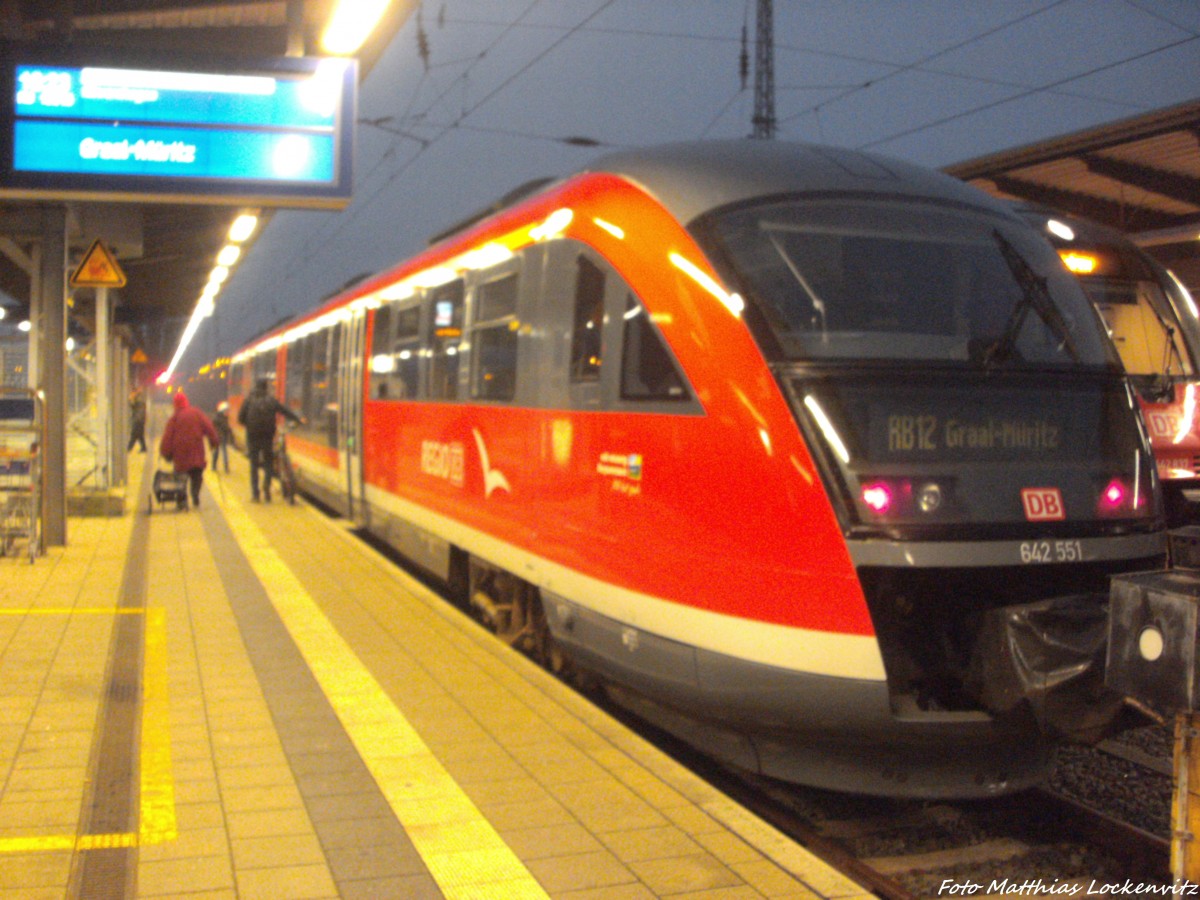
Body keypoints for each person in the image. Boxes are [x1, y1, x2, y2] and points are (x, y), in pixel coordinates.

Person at [237, 378, 303, 503]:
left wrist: (249, 426)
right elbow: (285, 411)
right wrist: (298, 420)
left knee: (254, 465)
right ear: (266, 387)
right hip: (267, 435)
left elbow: (240, 419)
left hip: (252, 436)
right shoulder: (271, 401)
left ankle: (255, 495)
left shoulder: (248, 400)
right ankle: (266, 488)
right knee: (268, 463)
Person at [159, 391, 218, 510]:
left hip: (180, 457)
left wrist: (165, 453)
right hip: (196, 454)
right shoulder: (196, 413)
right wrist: (214, 442)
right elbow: (209, 428)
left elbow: (167, 437)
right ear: (186, 402)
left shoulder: (174, 418)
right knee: (197, 476)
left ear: (175, 404)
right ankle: (195, 494)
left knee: (180, 479)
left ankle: (182, 501)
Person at [212, 401, 235, 473]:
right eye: (226, 411)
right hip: (220, 437)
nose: (227, 412)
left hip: (217, 437)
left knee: (217, 451)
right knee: (223, 451)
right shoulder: (222, 419)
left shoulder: (216, 417)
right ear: (222, 411)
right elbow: (227, 428)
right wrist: (231, 435)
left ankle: (214, 466)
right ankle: (226, 468)